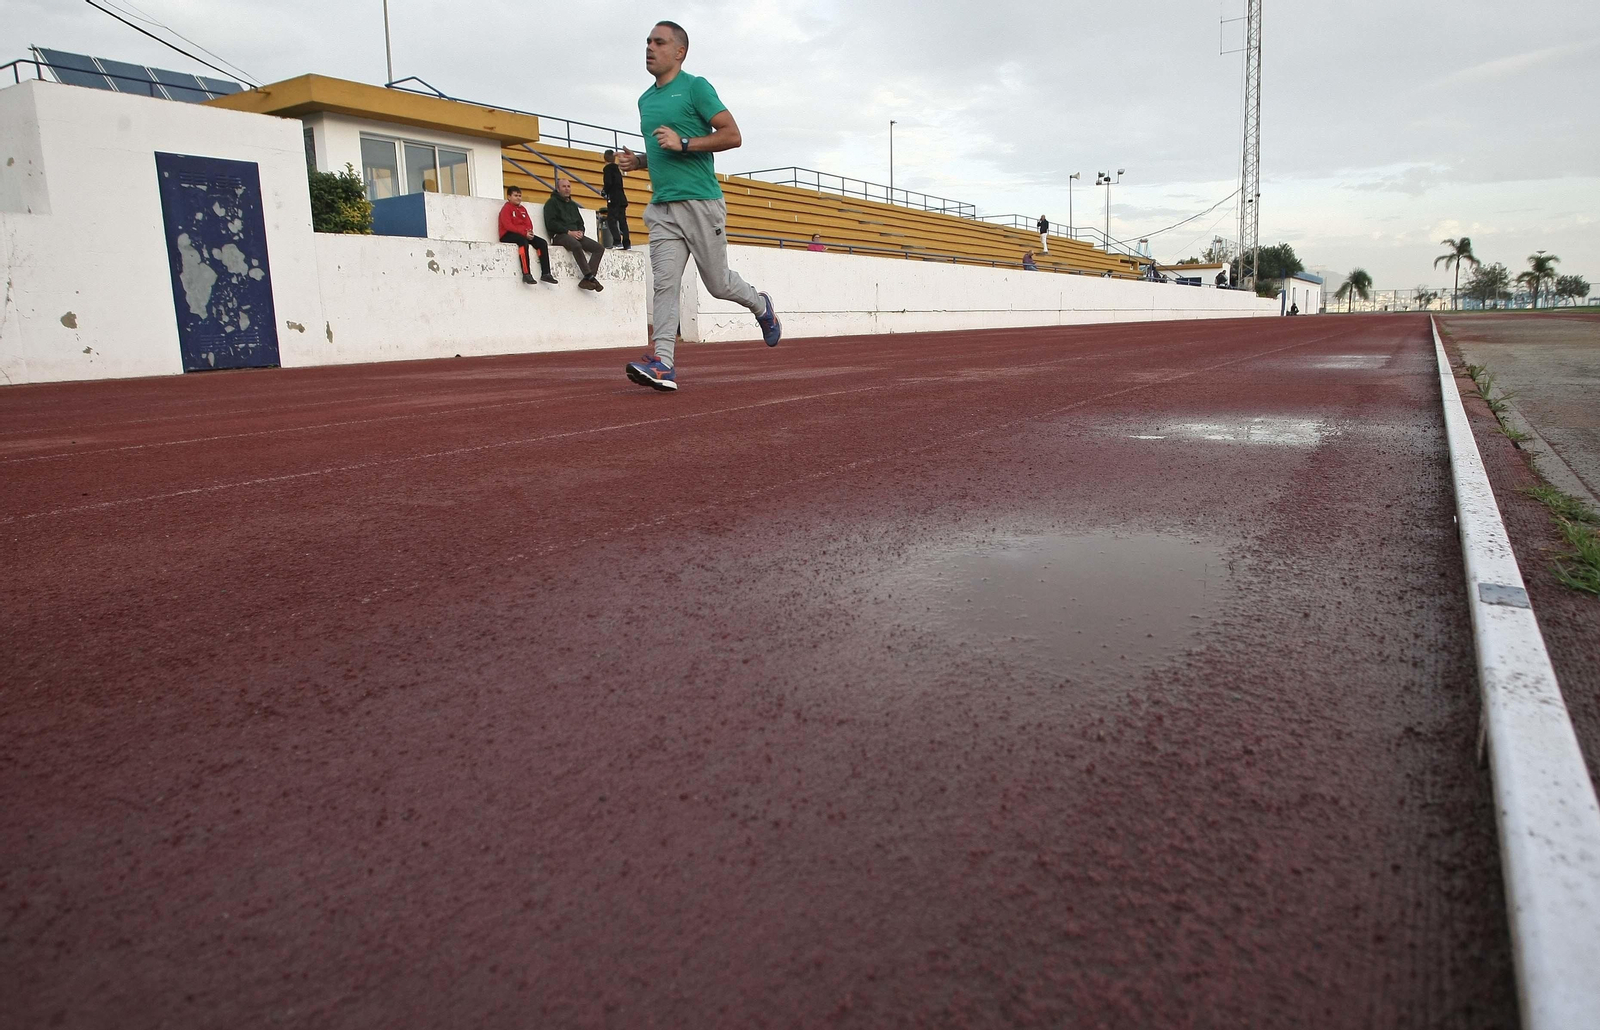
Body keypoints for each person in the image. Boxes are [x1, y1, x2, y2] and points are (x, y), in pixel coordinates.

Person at [616, 20, 782, 392]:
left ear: (679, 52)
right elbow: (664, 148)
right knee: (665, 285)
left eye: (659, 42)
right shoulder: (645, 100)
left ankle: (761, 305)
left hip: (701, 203)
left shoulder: (696, 87)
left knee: (717, 284)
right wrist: (640, 162)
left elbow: (732, 135)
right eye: (647, 41)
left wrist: (686, 143)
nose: (649, 48)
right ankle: (663, 362)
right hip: (663, 208)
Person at [543, 177, 605, 292]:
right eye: (564, 186)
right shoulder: (551, 203)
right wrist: (568, 232)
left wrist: (581, 231)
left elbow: (580, 222)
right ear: (557, 188)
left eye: (568, 186)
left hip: (575, 234)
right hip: (560, 235)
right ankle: (590, 276)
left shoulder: (572, 205)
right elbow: (551, 223)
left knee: (599, 248)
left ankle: (587, 279)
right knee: (576, 246)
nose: (567, 189)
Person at [498, 186, 555, 285]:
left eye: (520, 196)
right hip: (507, 234)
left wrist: (529, 232)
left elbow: (528, 223)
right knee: (523, 242)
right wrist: (524, 233)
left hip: (523, 234)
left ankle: (546, 273)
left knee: (542, 243)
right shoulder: (506, 209)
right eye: (515, 195)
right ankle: (526, 273)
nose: (518, 198)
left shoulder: (522, 209)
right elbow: (508, 225)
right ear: (509, 197)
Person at [601, 150, 631, 250]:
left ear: (605, 158)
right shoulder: (617, 169)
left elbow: (608, 182)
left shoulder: (607, 169)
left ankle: (617, 241)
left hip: (613, 198)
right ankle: (627, 243)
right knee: (623, 221)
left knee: (611, 220)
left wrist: (604, 191)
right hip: (622, 198)